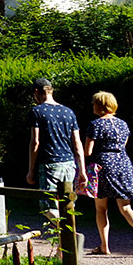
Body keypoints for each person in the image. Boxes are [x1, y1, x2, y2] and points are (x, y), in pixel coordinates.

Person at [84, 91, 133, 255]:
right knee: (126, 207)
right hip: (123, 165)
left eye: (94, 103)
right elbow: (123, 145)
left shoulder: (95, 124)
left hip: (103, 166)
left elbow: (88, 151)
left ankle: (105, 246)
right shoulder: (123, 124)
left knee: (101, 208)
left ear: (99, 105)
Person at [27, 78, 87, 219]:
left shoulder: (37, 111)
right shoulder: (68, 112)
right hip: (69, 164)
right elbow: (77, 143)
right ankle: (68, 238)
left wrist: (31, 170)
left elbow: (35, 142)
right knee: (67, 205)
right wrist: (82, 171)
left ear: (36, 92)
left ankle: (73, 236)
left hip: (50, 164)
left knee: (48, 206)